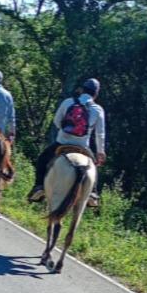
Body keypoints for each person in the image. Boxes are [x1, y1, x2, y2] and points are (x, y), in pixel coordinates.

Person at [27, 78, 106, 206]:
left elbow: (56, 121)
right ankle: (92, 194)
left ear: (82, 90)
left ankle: (39, 187)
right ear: (96, 94)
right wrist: (100, 152)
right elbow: (100, 134)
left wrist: (65, 131)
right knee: (93, 168)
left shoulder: (68, 102)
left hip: (62, 143)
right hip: (82, 147)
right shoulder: (98, 109)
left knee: (42, 159)